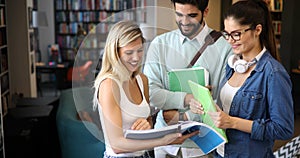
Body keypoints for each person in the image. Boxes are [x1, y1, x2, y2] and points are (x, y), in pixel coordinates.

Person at [190, 0, 294, 157]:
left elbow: (283, 128)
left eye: (236, 34)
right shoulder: (232, 66)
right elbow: (226, 109)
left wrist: (233, 122)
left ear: (257, 30)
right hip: (221, 152)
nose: (230, 40)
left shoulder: (273, 73)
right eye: (226, 34)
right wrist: (206, 104)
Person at [93, 20, 197, 158]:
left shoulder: (142, 80)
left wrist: (146, 124)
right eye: (129, 52)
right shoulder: (109, 85)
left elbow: (147, 119)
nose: (136, 58)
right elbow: (117, 145)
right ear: (115, 52)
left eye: (140, 50)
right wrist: (163, 141)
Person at [143, 0, 232, 157]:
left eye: (192, 15)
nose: (184, 22)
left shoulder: (225, 47)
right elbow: (151, 93)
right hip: (164, 142)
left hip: (203, 146)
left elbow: (229, 99)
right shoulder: (159, 44)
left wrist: (183, 115)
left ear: (206, 12)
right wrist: (187, 99)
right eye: (179, 15)